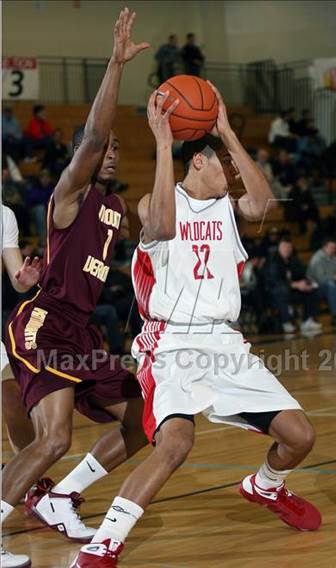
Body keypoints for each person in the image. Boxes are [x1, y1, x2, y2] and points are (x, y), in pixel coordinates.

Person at [71, 83, 321, 566]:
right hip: (170, 342)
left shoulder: (230, 210)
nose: (230, 170)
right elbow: (161, 228)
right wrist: (164, 144)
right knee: (175, 444)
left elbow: (265, 205)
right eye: (222, 161)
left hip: (225, 342)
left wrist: (226, 133)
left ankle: (265, 487)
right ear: (197, 163)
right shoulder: (154, 202)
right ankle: (105, 543)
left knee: (300, 437)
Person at [2, 10, 150, 567]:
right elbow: (90, 136)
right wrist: (115, 64)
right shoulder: (70, 195)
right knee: (54, 438)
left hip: (81, 332)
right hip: (44, 323)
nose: (109, 151)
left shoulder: (115, 209)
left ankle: (61, 496)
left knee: (145, 420)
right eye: (102, 146)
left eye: (115, 147)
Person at [1, 205, 41, 458]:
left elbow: (17, 277)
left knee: (12, 393)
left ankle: (30, 480)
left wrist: (24, 280)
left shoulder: (5, 215)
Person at [263, 234, 322, 334]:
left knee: (312, 289)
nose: (287, 249)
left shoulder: (293, 260)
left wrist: (306, 283)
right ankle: (286, 321)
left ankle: (307, 320)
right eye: (284, 247)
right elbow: (275, 282)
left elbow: (302, 273)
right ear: (279, 248)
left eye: (289, 247)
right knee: (281, 290)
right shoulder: (273, 261)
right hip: (273, 293)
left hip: (291, 290)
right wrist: (296, 285)